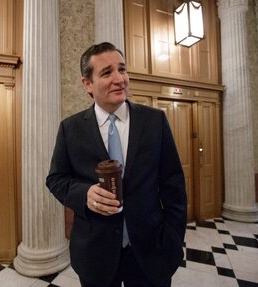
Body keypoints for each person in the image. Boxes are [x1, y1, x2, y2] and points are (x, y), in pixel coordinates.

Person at [46, 42, 187, 287]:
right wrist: (84, 194)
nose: (119, 78)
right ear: (87, 84)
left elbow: (174, 185)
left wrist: (173, 238)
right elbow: (56, 179)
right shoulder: (71, 128)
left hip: (151, 250)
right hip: (94, 254)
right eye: (107, 72)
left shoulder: (155, 121)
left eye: (122, 69)